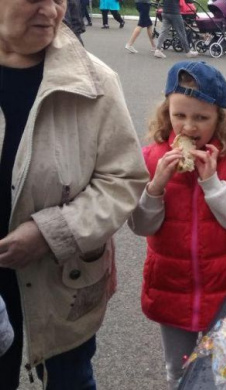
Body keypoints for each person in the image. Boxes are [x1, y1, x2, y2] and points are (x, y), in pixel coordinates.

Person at [0, 0, 149, 387]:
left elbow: (124, 180)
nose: (51, 11)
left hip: (65, 284)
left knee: (70, 378)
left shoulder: (96, 82)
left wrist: (53, 233)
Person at [128, 61, 226, 390]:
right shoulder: (150, 158)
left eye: (201, 117)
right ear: (166, 113)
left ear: (219, 118)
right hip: (172, 289)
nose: (189, 127)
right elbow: (141, 225)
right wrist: (155, 186)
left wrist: (213, 184)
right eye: (179, 115)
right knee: (179, 372)